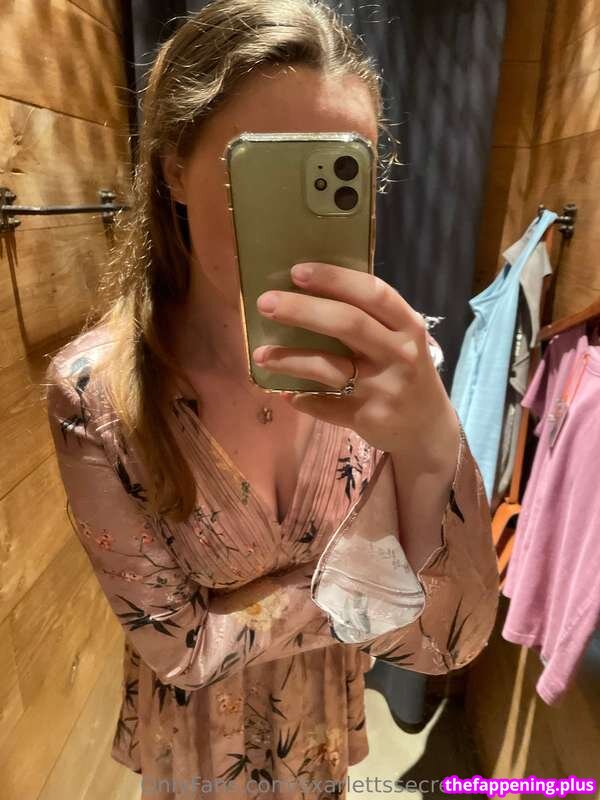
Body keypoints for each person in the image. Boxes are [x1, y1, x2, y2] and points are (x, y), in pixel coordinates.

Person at [44, 1, 499, 798]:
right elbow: (184, 652)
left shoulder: (395, 380)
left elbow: (445, 641)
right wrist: (357, 600)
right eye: (264, 172)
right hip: (195, 744)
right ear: (173, 168)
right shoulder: (97, 396)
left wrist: (433, 445)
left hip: (317, 731)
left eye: (337, 171)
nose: (292, 215)